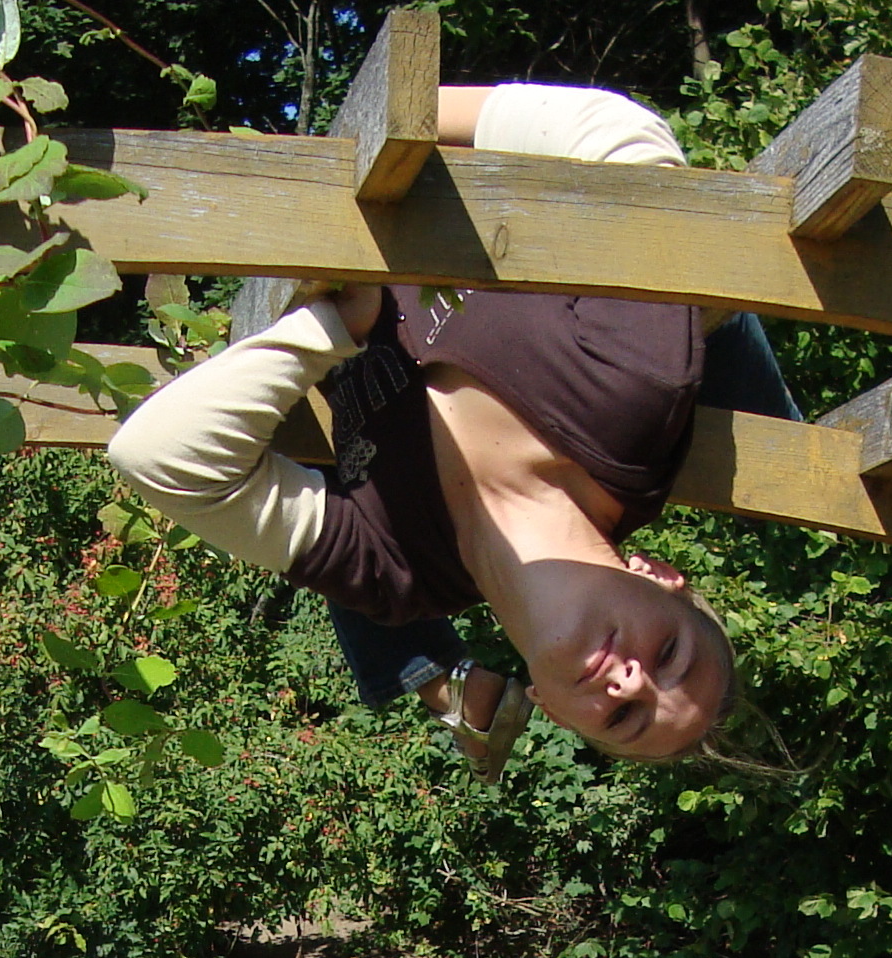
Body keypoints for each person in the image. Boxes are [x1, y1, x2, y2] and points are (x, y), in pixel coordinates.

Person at [107, 83, 805, 768]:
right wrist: (382, 123)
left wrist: (328, 329)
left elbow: (160, 458)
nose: (629, 682)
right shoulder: (633, 401)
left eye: (624, 717)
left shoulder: (391, 572)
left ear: (553, 710)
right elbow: (624, 144)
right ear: (660, 576)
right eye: (670, 655)